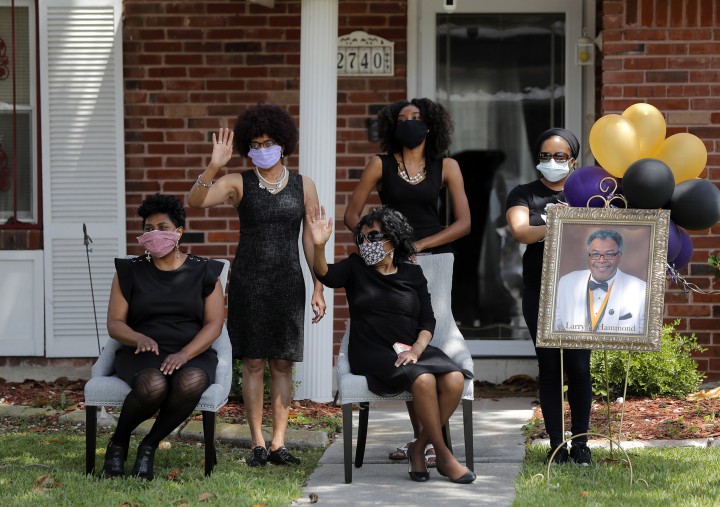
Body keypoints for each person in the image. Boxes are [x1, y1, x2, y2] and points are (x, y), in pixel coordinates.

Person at [186, 104, 325, 468]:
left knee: (283, 364)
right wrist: (215, 165)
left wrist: (319, 286)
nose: (263, 149)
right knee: (252, 363)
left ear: (283, 144)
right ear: (248, 148)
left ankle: (279, 444)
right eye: (256, 143)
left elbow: (312, 240)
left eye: (269, 142)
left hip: (289, 281)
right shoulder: (238, 182)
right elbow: (195, 201)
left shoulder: (303, 184)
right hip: (249, 280)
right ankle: (258, 444)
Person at [343, 97, 470, 466]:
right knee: (403, 350)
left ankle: (422, 442)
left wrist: (420, 245)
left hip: (433, 263)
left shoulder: (447, 166)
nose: (409, 123)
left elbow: (464, 223)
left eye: (416, 118)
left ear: (429, 126)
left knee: (428, 345)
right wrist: (384, 250)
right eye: (402, 119)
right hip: (393, 268)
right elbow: (353, 215)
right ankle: (430, 446)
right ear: (392, 127)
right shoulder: (379, 164)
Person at [311, 206, 475, 484]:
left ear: (393, 239)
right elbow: (325, 274)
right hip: (372, 350)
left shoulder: (413, 274)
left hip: (411, 349)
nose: (366, 244)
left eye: (373, 236)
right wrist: (319, 246)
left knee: (455, 378)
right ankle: (445, 457)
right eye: (362, 238)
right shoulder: (354, 267)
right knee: (423, 380)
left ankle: (418, 448)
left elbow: (428, 320)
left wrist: (417, 350)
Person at [102, 193, 225, 480]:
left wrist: (185, 354)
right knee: (154, 384)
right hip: (142, 351)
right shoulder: (129, 271)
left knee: (191, 381)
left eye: (163, 227)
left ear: (179, 232)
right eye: (148, 228)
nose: (155, 233)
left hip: (191, 351)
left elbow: (214, 324)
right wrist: (137, 338)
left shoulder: (205, 271)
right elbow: (115, 324)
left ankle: (149, 444)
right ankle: (118, 441)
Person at [505, 128, 593, 466]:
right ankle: (557, 446)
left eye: (559, 156)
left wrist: (564, 220)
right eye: (545, 156)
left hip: (583, 289)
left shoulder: (586, 193)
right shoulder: (524, 193)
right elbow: (520, 230)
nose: (551, 162)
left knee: (579, 367)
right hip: (539, 289)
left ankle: (581, 444)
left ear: (572, 160)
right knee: (550, 367)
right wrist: (567, 223)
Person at [554, 229, 647, 334]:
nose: (601, 260)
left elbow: (644, 339)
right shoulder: (566, 283)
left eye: (609, 254)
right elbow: (556, 329)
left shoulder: (641, 290)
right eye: (595, 254)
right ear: (588, 256)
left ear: (619, 257)